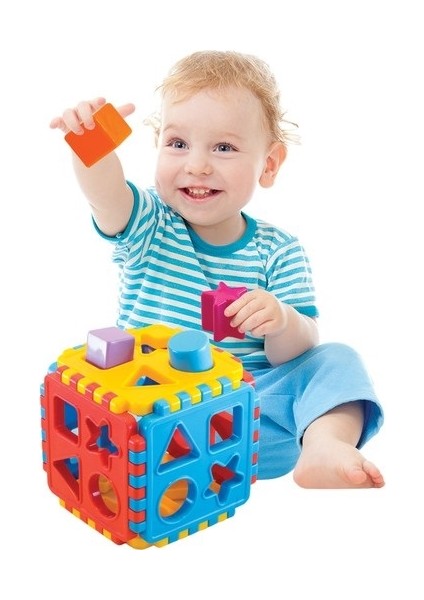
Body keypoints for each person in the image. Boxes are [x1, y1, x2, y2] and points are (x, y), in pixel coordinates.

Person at [50, 50, 384, 488]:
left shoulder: (278, 250)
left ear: (268, 164)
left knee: (338, 359)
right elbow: (106, 195)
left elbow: (296, 351)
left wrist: (282, 320)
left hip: (245, 420)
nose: (197, 165)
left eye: (224, 147)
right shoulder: (150, 224)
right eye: (178, 144)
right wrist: (90, 145)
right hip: (153, 410)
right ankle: (165, 475)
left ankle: (323, 445)